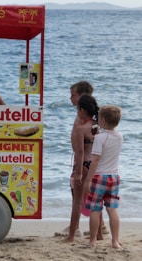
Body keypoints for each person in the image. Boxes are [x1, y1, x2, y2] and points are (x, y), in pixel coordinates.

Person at [55, 81, 107, 240]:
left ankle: (73, 232)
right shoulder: (96, 124)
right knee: (93, 199)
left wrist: (77, 172)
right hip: (95, 164)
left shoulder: (81, 123)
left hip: (83, 163)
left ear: (82, 98)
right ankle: (99, 230)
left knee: (77, 200)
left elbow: (79, 151)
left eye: (73, 95)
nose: (70, 98)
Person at [85, 105, 123, 248]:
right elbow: (109, 139)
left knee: (95, 209)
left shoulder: (99, 138)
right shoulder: (120, 136)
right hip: (114, 176)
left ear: (103, 120)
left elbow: (95, 160)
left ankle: (93, 241)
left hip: (99, 177)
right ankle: (115, 241)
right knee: (112, 209)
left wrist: (88, 180)